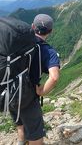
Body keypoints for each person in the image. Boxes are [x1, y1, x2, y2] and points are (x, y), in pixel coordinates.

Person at [10, 14, 60, 145]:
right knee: (35, 134)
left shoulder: (17, 41)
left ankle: (21, 142)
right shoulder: (48, 51)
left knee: (20, 123)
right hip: (28, 96)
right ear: (50, 31)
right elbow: (54, 77)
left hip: (10, 91)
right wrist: (42, 91)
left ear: (32, 26)